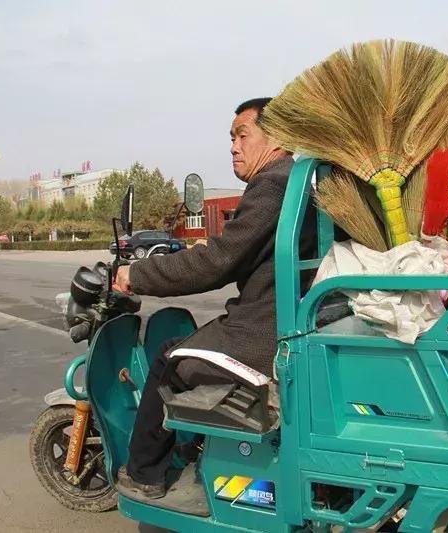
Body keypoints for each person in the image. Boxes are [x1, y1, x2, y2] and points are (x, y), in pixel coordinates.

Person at [113, 97, 317, 499]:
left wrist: (136, 275)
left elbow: (215, 264)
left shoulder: (274, 184)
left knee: (169, 360)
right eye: (231, 137)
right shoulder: (298, 183)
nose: (233, 146)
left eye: (243, 135)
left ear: (276, 139)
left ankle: (144, 475)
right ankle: (198, 449)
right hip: (286, 324)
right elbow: (236, 253)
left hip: (262, 336)